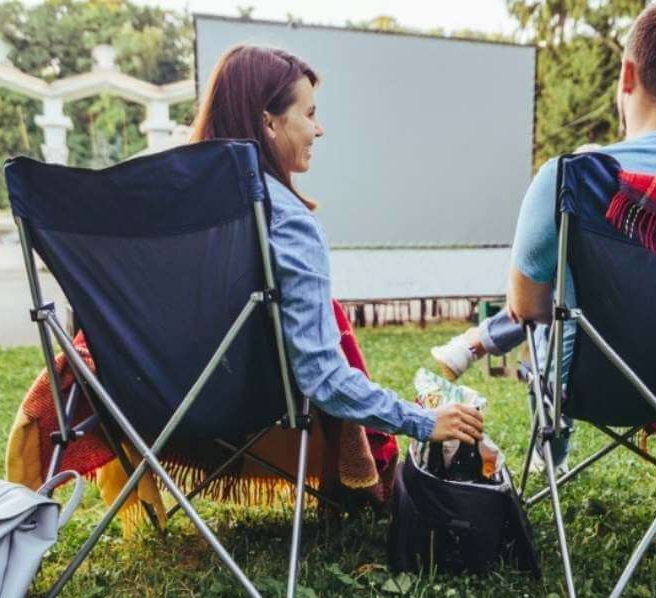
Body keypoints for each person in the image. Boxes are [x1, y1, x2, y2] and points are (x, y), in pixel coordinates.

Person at [429, 0, 656, 471]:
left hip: (597, 387)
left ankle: (550, 452)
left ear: (626, 76)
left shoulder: (570, 178)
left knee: (552, 293)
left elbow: (525, 307)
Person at [191, 45, 483, 446]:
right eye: (309, 114)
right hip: (241, 409)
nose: (319, 129)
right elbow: (322, 375)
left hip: (144, 405)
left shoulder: (173, 208)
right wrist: (422, 420)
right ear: (269, 123)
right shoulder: (287, 221)